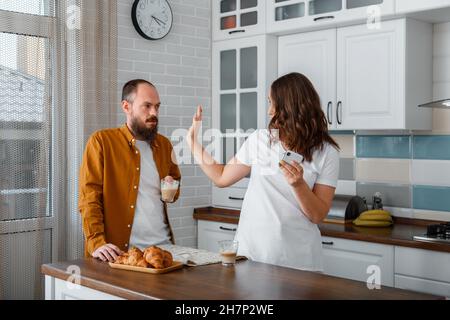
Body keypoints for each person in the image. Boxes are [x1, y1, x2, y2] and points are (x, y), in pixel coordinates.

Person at [187, 72, 340, 271]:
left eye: (272, 103)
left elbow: (318, 215)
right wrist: (192, 142)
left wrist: (298, 184)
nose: (269, 111)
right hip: (253, 253)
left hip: (299, 260)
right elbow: (221, 177)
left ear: (289, 107)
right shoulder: (260, 140)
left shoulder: (327, 152)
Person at [79, 79, 181, 262]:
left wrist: (171, 188)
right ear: (126, 107)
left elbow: (173, 189)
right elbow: (89, 198)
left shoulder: (164, 145)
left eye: (157, 107)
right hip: (120, 255)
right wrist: (96, 241)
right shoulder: (101, 141)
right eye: (147, 106)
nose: (154, 113)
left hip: (162, 250)